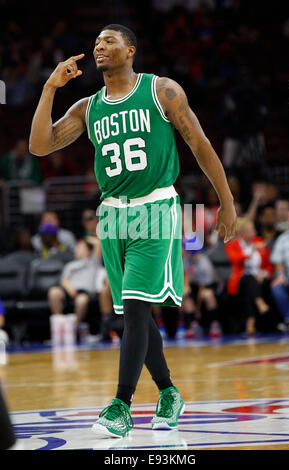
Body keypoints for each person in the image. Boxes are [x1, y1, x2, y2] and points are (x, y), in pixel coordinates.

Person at [29, 24, 237, 437]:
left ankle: (121, 405)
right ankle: (169, 392)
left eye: (109, 41)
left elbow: (199, 143)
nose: (99, 47)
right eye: (96, 43)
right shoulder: (88, 107)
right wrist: (50, 88)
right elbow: (40, 145)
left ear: (131, 50)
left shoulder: (162, 91)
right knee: (131, 312)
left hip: (154, 207)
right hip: (111, 215)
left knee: (137, 310)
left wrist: (227, 202)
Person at [48, 237, 105, 345]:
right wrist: (69, 288)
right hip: (69, 289)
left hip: (85, 292)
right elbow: (64, 280)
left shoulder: (93, 262)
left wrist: (86, 239)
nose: (77, 249)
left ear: (88, 251)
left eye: (80, 247)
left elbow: (98, 244)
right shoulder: (70, 265)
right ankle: (61, 327)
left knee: (81, 300)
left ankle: (72, 330)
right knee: (53, 292)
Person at [225, 217, 273, 335]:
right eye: (251, 230)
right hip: (240, 280)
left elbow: (268, 264)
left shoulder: (259, 241)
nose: (254, 232)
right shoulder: (232, 245)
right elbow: (236, 260)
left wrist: (264, 273)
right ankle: (260, 303)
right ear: (242, 233)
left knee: (251, 288)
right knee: (249, 279)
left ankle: (250, 323)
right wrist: (251, 250)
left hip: (259, 278)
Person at [271, 206, 289, 330]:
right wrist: (281, 276)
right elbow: (278, 262)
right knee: (277, 287)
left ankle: (288, 320)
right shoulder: (282, 239)